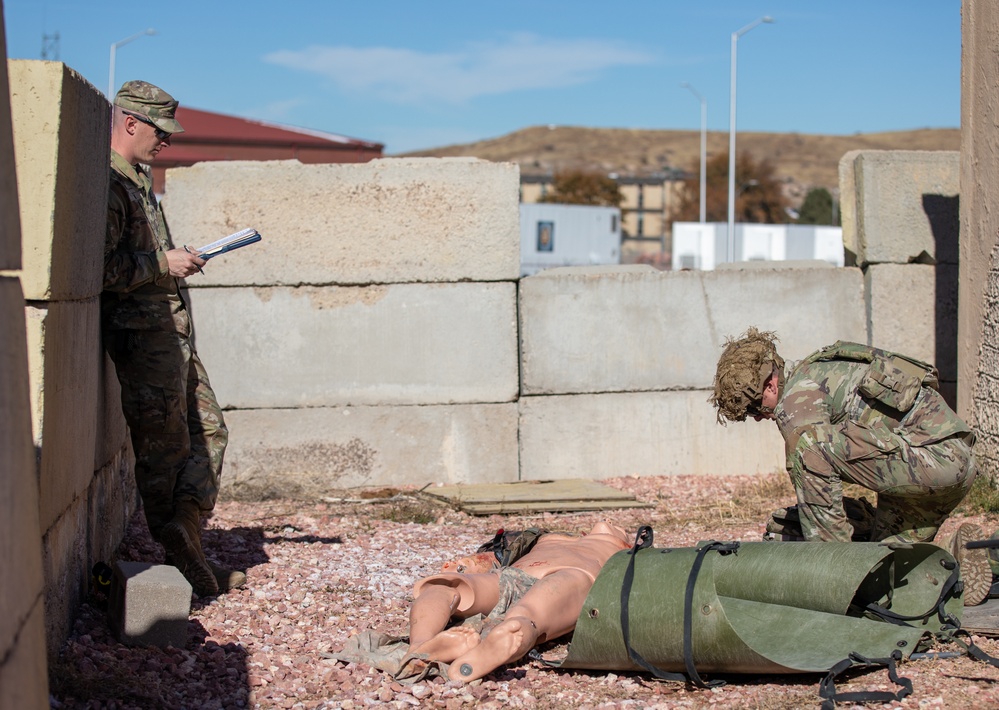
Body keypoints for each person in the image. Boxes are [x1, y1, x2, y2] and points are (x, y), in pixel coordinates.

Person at [709, 327, 991, 604]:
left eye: (755, 408)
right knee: (881, 581)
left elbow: (815, 466)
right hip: (949, 462)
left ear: (770, 385)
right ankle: (959, 555)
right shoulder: (820, 367)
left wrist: (830, 577)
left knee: (808, 449)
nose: (758, 417)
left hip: (932, 461)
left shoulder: (795, 403)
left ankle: (835, 574)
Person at [103, 80, 244, 596]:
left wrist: (171, 262)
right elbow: (99, 269)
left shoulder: (138, 180)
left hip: (172, 334)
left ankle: (187, 535)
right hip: (143, 339)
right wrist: (166, 262)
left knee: (210, 433)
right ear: (131, 122)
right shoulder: (111, 184)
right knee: (164, 451)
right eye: (160, 131)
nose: (165, 142)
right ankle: (180, 562)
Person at [405, 521, 632, 682]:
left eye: (619, 529)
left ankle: (489, 648)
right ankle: (419, 646)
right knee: (446, 586)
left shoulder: (629, 555)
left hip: (571, 575)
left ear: (626, 544)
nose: (609, 521)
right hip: (517, 574)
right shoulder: (543, 537)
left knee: (527, 616)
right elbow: (490, 555)